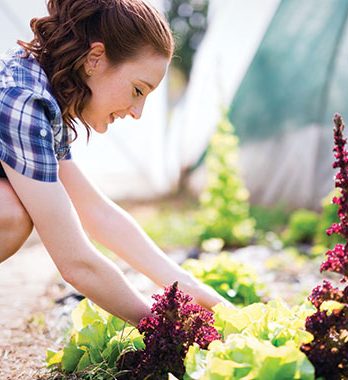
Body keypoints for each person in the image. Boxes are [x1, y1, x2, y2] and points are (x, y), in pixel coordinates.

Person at [0, 0, 230, 327]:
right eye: (138, 90)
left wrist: (187, 286)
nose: (137, 112)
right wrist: (161, 327)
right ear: (95, 59)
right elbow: (76, 262)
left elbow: (96, 212)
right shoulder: (22, 97)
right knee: (9, 214)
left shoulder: (44, 93)